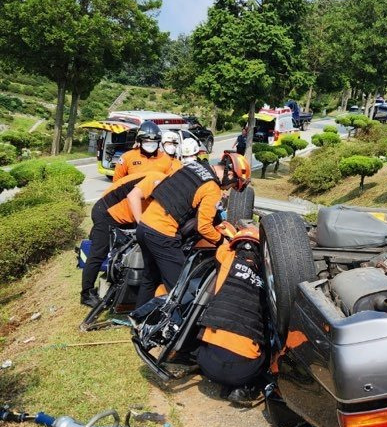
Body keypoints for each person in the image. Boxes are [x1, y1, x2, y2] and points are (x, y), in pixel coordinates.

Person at [134, 144, 251, 307]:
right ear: (230, 174)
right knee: (180, 287)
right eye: (231, 186)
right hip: (162, 233)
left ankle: (139, 321)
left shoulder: (194, 167)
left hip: (144, 226)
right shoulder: (212, 187)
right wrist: (222, 242)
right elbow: (203, 227)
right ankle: (176, 327)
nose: (227, 191)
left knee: (150, 277)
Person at [196, 225, 268, 404]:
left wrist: (231, 232)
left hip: (206, 364)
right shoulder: (268, 276)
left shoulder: (226, 259)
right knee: (268, 350)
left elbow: (223, 246)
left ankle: (229, 381)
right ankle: (243, 388)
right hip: (241, 373)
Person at [80, 170, 167, 307]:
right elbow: (133, 197)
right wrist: (141, 224)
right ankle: (86, 294)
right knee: (98, 253)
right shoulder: (157, 179)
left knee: (127, 252)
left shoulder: (164, 183)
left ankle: (123, 287)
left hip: (126, 214)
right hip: (107, 213)